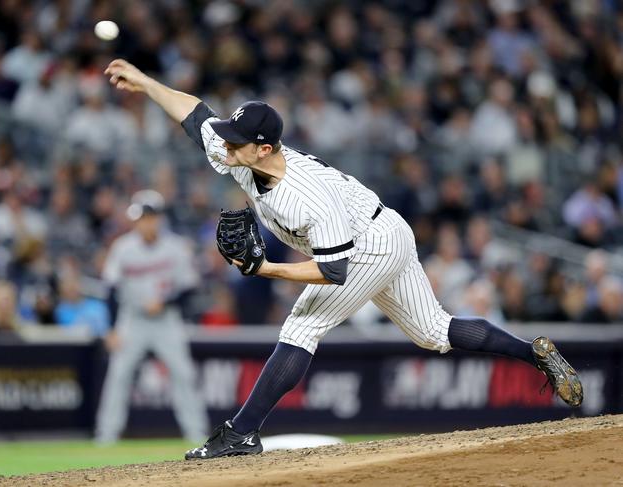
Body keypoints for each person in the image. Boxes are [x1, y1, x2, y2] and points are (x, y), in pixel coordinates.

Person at [104, 59, 583, 459]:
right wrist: (146, 83)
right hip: (381, 227)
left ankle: (241, 433)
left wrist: (265, 269)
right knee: (433, 331)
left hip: (370, 243)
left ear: (264, 148)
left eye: (235, 141)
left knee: (301, 328)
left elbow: (335, 271)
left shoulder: (305, 197)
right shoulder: (243, 154)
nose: (224, 145)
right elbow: (195, 115)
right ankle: (533, 353)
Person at [94, 189, 208, 444]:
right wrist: (111, 328)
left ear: (158, 218)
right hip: (132, 319)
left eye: (149, 217)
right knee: (119, 375)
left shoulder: (176, 248)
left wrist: (165, 302)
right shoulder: (123, 248)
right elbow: (110, 290)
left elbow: (189, 289)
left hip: (166, 320)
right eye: (141, 218)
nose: (145, 222)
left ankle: (196, 433)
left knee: (183, 374)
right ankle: (106, 436)